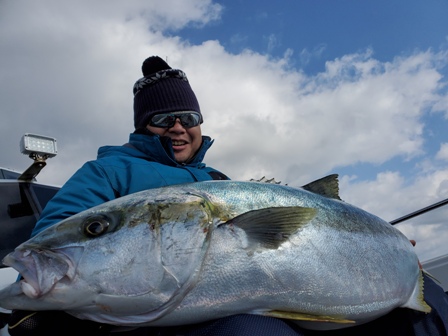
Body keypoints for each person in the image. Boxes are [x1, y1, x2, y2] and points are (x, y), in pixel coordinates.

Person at [7, 56, 448, 336]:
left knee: (430, 313)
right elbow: (51, 233)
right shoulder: (108, 170)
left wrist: (383, 244)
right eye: (162, 117)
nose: (177, 126)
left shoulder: (218, 179)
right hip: (194, 316)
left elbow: (300, 231)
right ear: (144, 125)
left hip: (280, 299)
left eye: (187, 116)